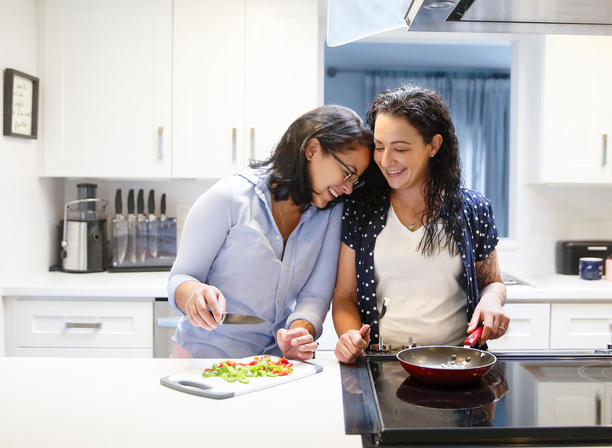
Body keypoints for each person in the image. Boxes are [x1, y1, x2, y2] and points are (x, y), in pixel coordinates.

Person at [168, 105, 372, 360]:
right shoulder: (230, 197)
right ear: (312, 150)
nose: (348, 189)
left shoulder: (330, 213)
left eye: (355, 180)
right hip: (203, 361)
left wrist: (298, 333)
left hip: (273, 366)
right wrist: (193, 294)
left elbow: (315, 295)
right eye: (347, 173)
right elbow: (180, 278)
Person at [332, 85, 509, 364]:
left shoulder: (473, 210)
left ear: (434, 145)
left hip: (456, 362)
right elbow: (344, 297)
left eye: (400, 148)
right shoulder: (359, 210)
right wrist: (350, 337)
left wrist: (492, 300)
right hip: (382, 364)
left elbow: (493, 282)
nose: (386, 160)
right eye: (379, 147)